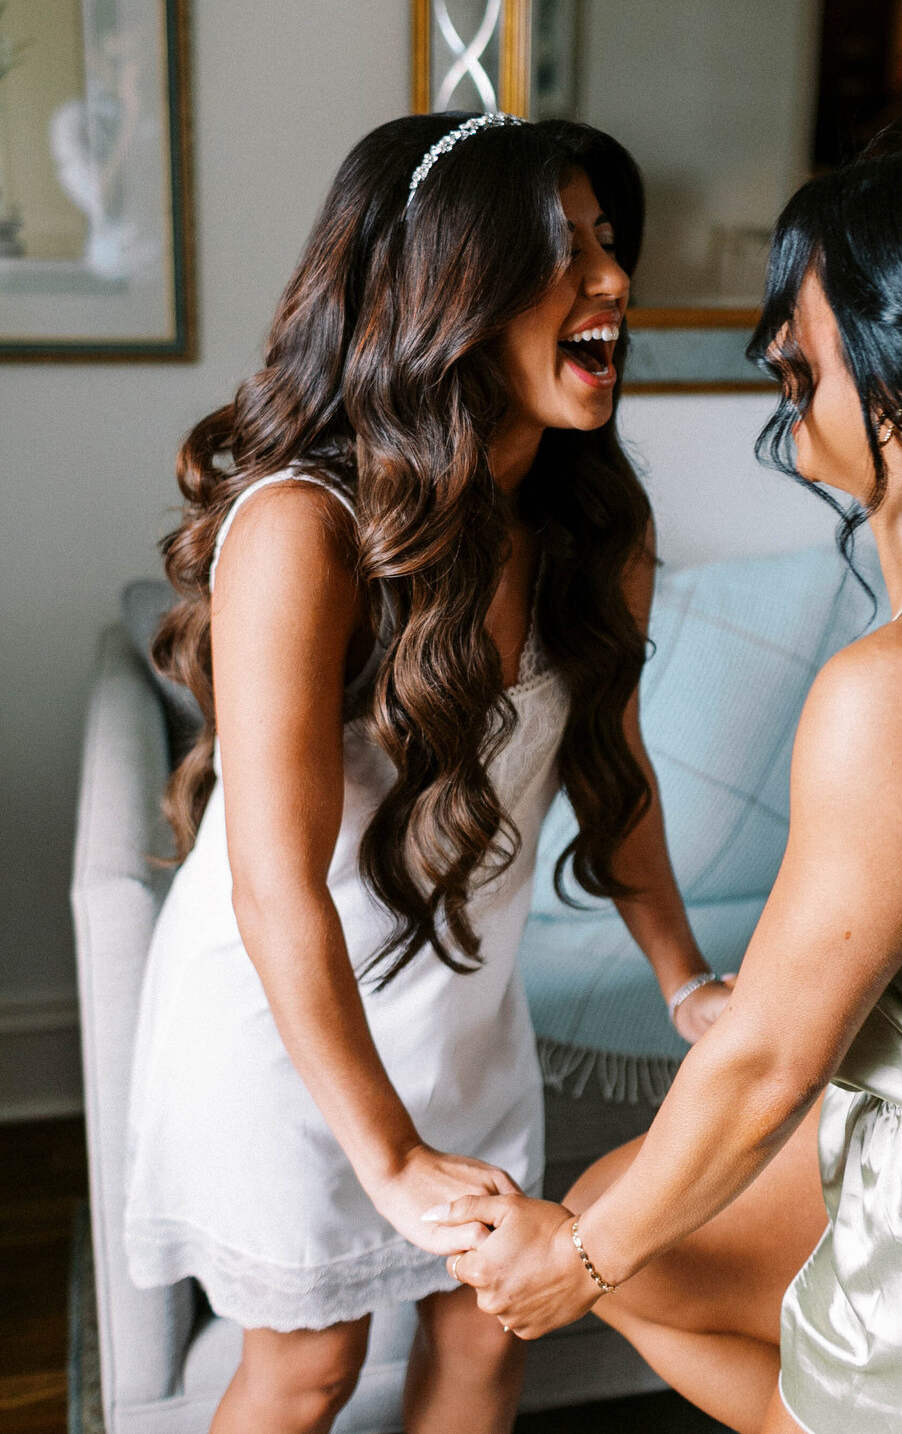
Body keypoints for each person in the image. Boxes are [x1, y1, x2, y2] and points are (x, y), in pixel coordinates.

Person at [431, 137, 902, 1434]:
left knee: (620, 1234)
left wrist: (570, 1260)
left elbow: (776, 1062)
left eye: (804, 316)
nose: (775, 347)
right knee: (644, 1222)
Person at [123, 111, 733, 1434]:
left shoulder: (590, 525)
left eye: (610, 245)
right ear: (447, 290)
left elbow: (610, 763)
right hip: (282, 1018)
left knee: (486, 1337)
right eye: (564, 248)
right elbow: (273, 882)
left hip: (460, 1008)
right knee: (308, 1367)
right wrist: (388, 1155)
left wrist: (688, 979)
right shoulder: (300, 529)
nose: (615, 283)